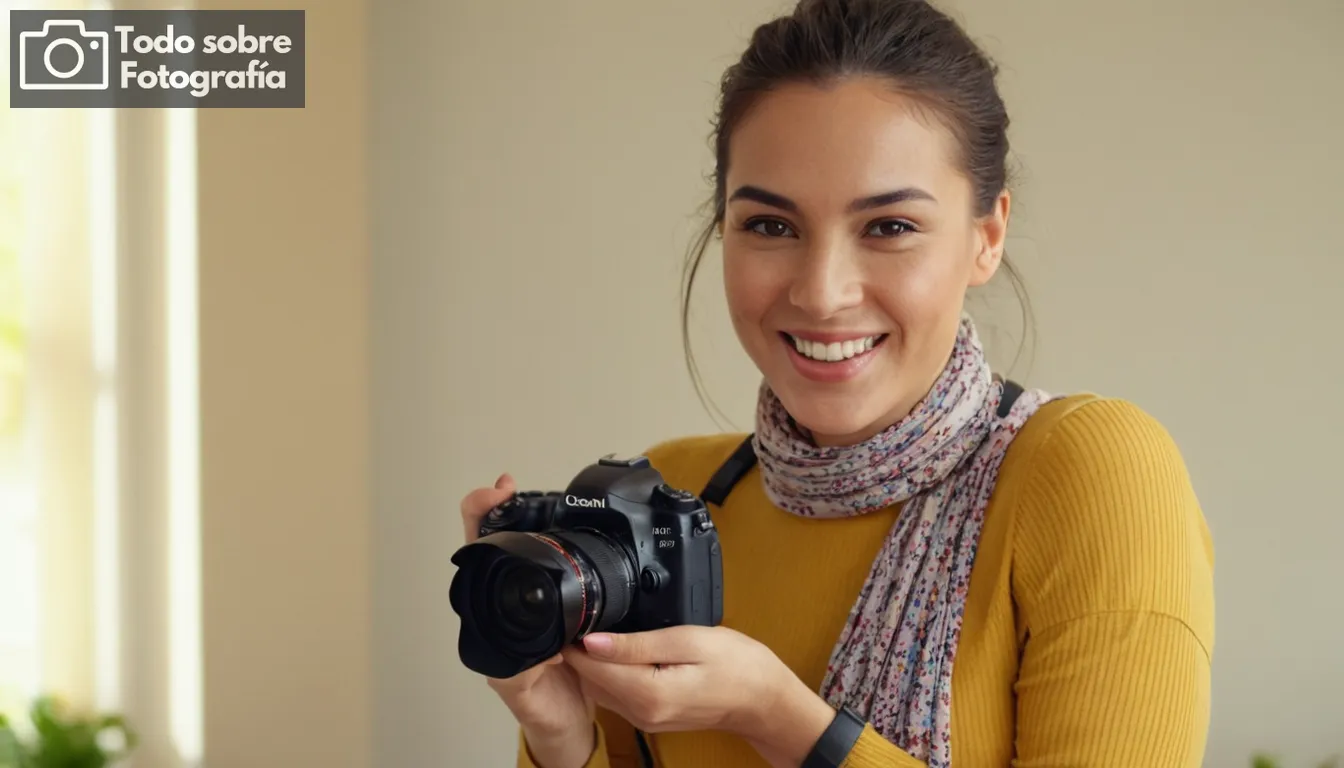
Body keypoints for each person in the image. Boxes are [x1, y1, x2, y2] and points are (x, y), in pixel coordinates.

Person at [458, 0, 1216, 766]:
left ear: (987, 237)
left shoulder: (1090, 472)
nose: (822, 293)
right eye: (772, 226)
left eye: (888, 227)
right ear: (724, 227)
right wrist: (558, 735)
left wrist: (781, 718)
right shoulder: (668, 498)